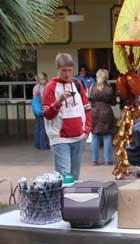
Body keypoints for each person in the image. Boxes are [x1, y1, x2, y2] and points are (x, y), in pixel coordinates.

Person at [42, 53, 92, 181]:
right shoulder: (50, 88)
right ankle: (62, 200)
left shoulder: (77, 84)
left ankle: (71, 200)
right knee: (65, 178)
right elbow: (47, 115)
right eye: (64, 70)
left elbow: (87, 108)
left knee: (74, 177)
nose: (67, 74)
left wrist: (86, 130)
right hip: (60, 139)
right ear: (57, 69)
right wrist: (58, 102)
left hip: (79, 137)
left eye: (70, 70)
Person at [88, 69, 117, 166]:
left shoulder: (91, 87)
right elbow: (113, 102)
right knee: (107, 136)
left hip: (94, 113)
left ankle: (94, 160)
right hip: (106, 113)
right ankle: (107, 160)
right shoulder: (110, 89)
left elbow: (89, 100)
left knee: (95, 136)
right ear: (106, 77)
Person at [32, 73, 49, 150]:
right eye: (42, 79)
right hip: (41, 110)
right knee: (43, 128)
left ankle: (37, 144)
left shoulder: (35, 87)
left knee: (38, 127)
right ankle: (43, 145)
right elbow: (43, 99)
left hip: (36, 109)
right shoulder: (42, 87)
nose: (44, 80)